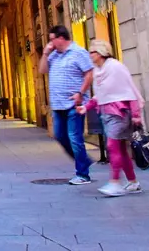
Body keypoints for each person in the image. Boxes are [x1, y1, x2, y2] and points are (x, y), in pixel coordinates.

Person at [76, 40, 145, 196]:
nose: (89, 55)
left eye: (92, 52)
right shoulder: (98, 71)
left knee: (112, 146)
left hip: (120, 113)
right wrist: (85, 107)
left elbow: (130, 90)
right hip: (107, 114)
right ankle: (133, 182)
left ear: (100, 53)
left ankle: (115, 183)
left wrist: (136, 115)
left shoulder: (115, 67)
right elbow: (100, 95)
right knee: (120, 148)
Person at [40, 25, 95, 185]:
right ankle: (84, 161)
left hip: (74, 104)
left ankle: (83, 174)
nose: (50, 43)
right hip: (57, 105)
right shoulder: (54, 56)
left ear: (61, 38)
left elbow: (89, 74)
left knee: (75, 138)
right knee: (60, 136)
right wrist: (45, 53)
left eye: (52, 39)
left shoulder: (79, 52)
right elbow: (43, 70)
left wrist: (80, 92)